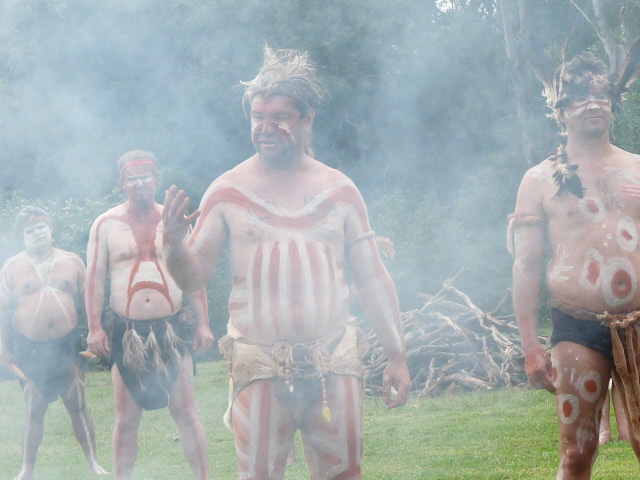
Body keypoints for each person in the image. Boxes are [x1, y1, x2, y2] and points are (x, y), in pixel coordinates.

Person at [162, 46, 411, 479]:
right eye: (258, 117)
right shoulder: (226, 191)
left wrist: (397, 354)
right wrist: (172, 247)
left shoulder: (340, 190)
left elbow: (371, 277)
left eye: (279, 117)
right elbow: (195, 273)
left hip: (333, 358)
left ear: (307, 119)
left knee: (344, 475)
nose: (266, 128)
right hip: (259, 361)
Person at [509, 50, 640, 478]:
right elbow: (527, 267)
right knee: (577, 452)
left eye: (601, 95)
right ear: (560, 109)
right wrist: (532, 347)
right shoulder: (540, 179)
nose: (593, 104)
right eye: (580, 96)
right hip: (577, 327)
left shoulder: (637, 169)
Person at [85, 150, 214, 480]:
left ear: (156, 180)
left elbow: (193, 274)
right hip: (127, 334)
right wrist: (95, 328)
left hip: (172, 329)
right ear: (122, 183)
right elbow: (94, 279)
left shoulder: (173, 221)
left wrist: (204, 324)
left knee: (186, 412)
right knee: (126, 419)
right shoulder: (105, 224)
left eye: (145, 176)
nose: (139, 182)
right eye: (132, 177)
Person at [0, 206, 107, 480]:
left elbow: (90, 301)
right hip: (29, 348)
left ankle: (93, 463)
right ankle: (27, 469)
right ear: (21, 236)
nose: (36, 233)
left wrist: (97, 332)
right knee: (34, 407)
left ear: (50, 228)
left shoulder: (72, 261)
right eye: (29, 230)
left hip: (67, 345)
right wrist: (3, 348)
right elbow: (2, 311)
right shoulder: (12, 267)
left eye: (40, 227)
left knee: (78, 403)